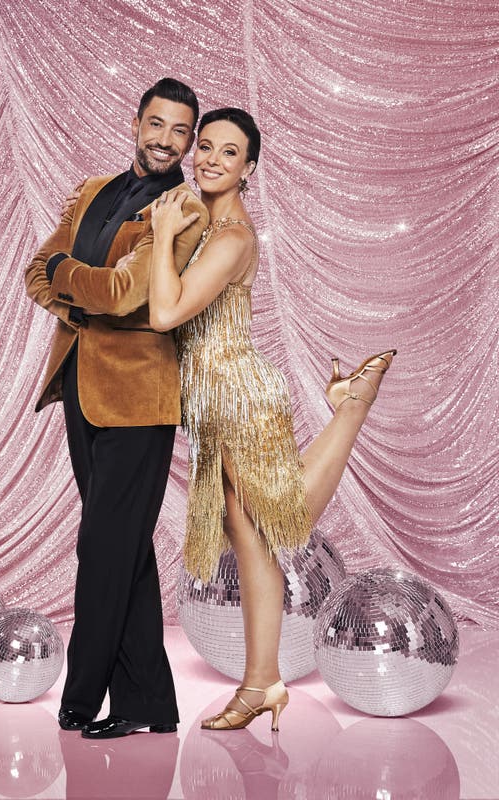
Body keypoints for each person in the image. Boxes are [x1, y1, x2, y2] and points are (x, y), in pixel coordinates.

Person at [142, 107, 396, 731]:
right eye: (205, 146)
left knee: (284, 519)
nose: (209, 159)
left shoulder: (230, 238)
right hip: (216, 398)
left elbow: (165, 314)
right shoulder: (210, 227)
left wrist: (162, 230)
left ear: (248, 168)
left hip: (236, 395)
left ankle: (351, 410)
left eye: (229, 153)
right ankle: (263, 683)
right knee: (250, 533)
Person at [24, 78, 209, 740]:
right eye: (156, 124)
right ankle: (147, 704)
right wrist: (81, 287)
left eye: (180, 131)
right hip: (79, 385)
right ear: (136, 123)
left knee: (103, 546)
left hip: (140, 399)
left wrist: (73, 281)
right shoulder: (92, 190)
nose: (166, 139)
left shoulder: (186, 210)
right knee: (123, 548)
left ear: (191, 141)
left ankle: (80, 699)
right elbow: (35, 267)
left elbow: (126, 295)